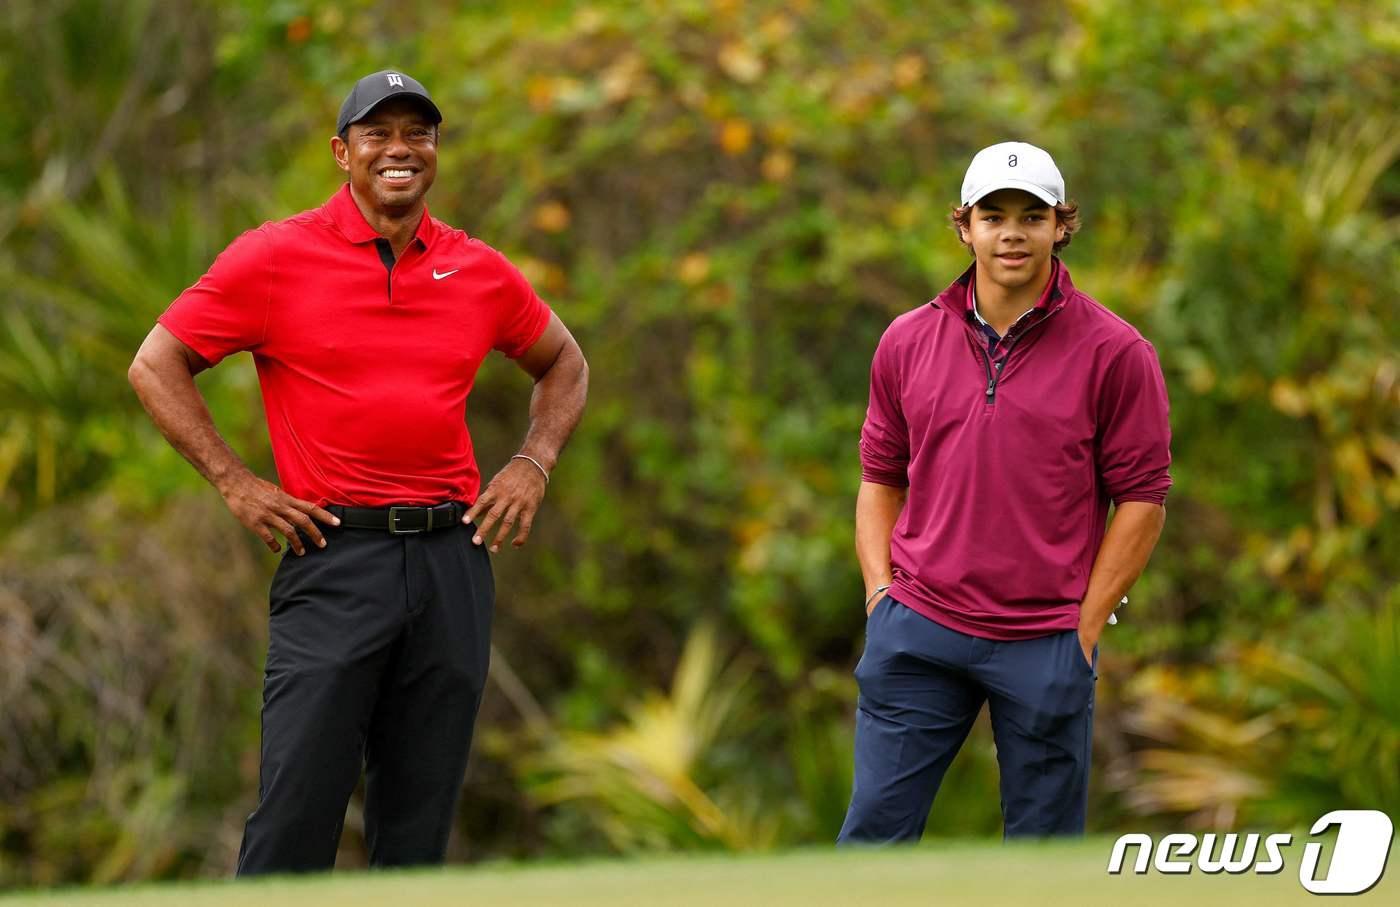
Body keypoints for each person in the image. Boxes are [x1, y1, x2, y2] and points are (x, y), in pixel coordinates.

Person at [127, 69, 588, 873]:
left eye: (419, 133)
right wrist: (236, 481)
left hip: (453, 560)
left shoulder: (476, 268)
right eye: (378, 134)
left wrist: (532, 460)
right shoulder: (274, 255)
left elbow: (565, 361)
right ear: (343, 153)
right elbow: (155, 362)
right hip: (336, 555)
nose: (400, 150)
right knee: (298, 807)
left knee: (418, 820)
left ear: (435, 150)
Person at [838, 142, 1170, 842]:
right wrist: (879, 595)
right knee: (871, 840)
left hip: (1045, 639)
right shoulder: (906, 340)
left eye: (1032, 215)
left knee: (1044, 862)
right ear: (965, 227)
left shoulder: (1117, 352)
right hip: (920, 629)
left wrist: (1083, 627)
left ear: (1061, 226)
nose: (1012, 232)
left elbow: (1142, 500)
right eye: (994, 215)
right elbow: (880, 478)